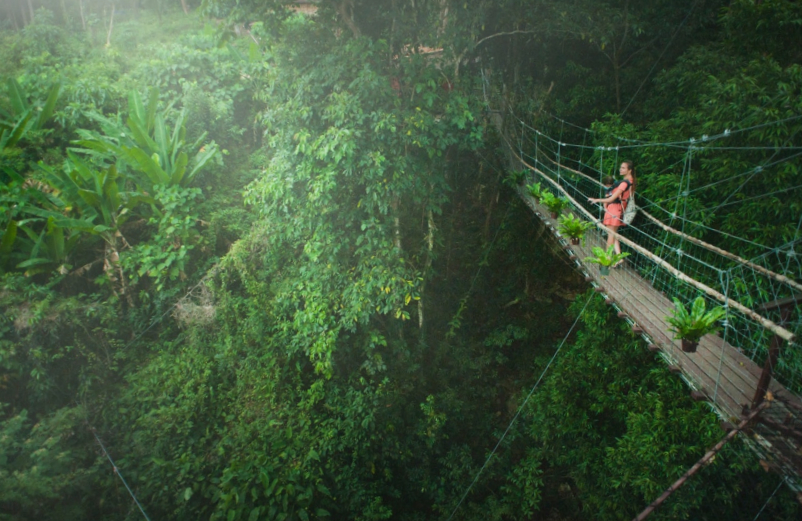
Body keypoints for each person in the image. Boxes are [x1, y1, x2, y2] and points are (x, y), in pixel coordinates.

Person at [588, 161, 636, 267]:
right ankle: (619, 257)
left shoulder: (625, 183)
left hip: (614, 209)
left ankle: (607, 259)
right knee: (613, 234)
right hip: (618, 209)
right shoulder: (631, 182)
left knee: (611, 235)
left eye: (623, 168)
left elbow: (612, 198)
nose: (620, 169)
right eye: (621, 167)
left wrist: (597, 200)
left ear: (629, 170)